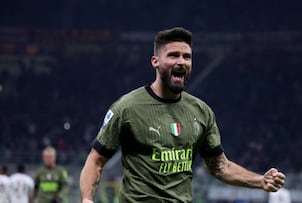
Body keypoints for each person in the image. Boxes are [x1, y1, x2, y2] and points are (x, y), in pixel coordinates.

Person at [79, 27, 286, 203]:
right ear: (155, 62)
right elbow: (95, 160)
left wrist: (260, 181)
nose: (181, 62)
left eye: (187, 56)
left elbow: (220, 167)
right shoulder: (126, 108)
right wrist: (87, 199)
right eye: (173, 55)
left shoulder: (201, 111)